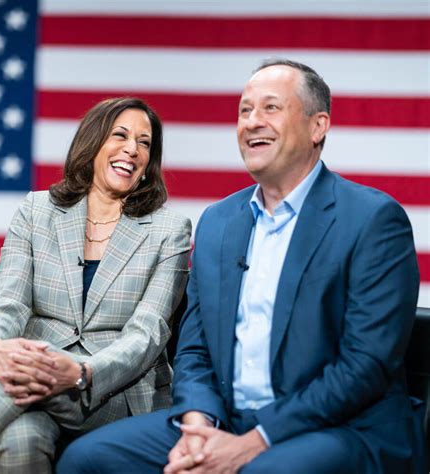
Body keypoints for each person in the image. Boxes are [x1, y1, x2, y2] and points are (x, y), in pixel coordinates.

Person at [57, 60, 426, 474]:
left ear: (318, 126)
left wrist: (253, 443)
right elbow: (193, 349)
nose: (252, 122)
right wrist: (197, 426)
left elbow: (365, 367)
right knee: (87, 460)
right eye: (244, 110)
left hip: (342, 429)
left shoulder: (373, 219)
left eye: (271, 108)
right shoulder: (218, 222)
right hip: (224, 420)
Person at [0, 97, 192, 473]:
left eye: (144, 143)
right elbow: (7, 304)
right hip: (37, 377)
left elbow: (147, 334)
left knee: (15, 375)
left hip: (112, 389)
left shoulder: (170, 232)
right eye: (121, 135)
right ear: (93, 142)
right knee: (21, 441)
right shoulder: (36, 211)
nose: (132, 149)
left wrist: (82, 372)